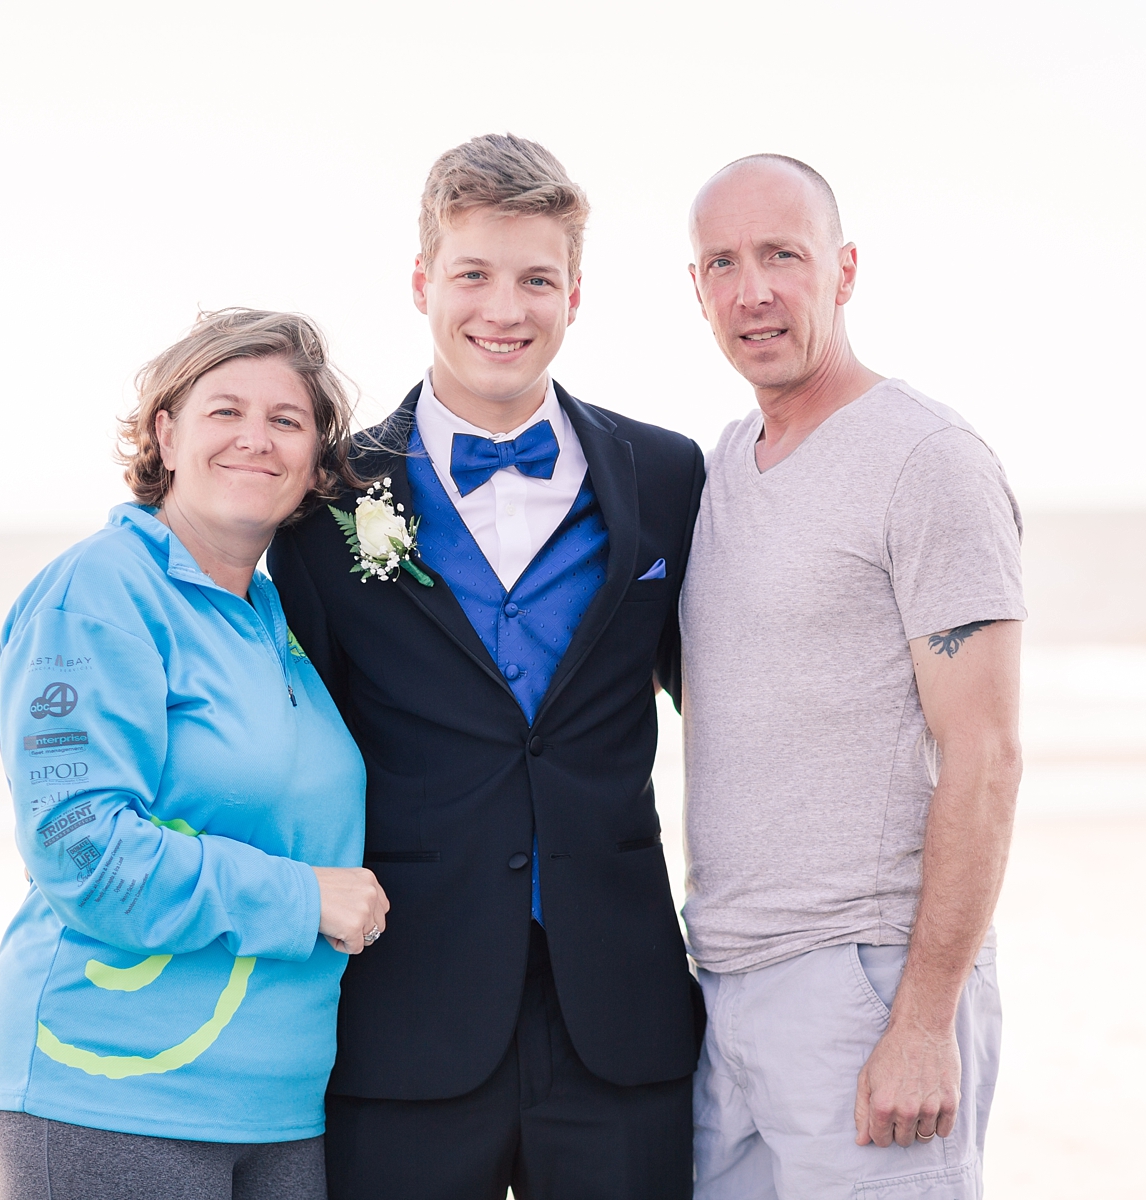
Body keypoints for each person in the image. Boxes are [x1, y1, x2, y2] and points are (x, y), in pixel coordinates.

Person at [269, 134, 706, 1199]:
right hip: (405, 1012)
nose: (503, 309)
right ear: (424, 283)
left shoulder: (666, 474)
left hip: (621, 1014)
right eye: (473, 274)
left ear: (576, 293)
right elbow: (295, 746)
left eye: (536, 279)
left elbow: (727, 699)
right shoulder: (328, 502)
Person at [0, 309, 390, 1200]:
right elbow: (83, 849)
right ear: (166, 431)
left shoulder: (279, 620)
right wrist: (302, 895)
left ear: (314, 460)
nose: (255, 440)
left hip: (281, 1108)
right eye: (223, 410)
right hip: (107, 1090)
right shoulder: (102, 592)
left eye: (287, 420)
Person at [679, 154, 1025, 1199]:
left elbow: (987, 754)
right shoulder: (725, 464)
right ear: (696, 291)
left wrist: (923, 1020)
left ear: (844, 270)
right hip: (723, 983)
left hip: (866, 982)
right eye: (723, 264)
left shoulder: (925, 459)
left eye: (784, 255)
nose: (755, 291)